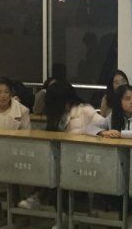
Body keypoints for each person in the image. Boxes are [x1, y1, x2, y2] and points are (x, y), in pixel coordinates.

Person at [18, 81, 106, 211]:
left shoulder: (85, 110)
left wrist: (84, 133)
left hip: (82, 158)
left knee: (56, 172)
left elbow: (103, 126)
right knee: (47, 167)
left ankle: (41, 198)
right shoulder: (57, 114)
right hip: (63, 158)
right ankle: (42, 200)